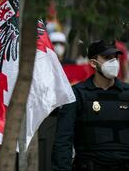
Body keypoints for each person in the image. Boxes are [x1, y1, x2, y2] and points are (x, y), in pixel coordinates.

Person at [52, 40, 129, 170]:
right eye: (107, 58)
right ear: (93, 63)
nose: (114, 62)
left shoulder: (127, 93)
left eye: (115, 58)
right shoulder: (76, 94)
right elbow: (63, 141)